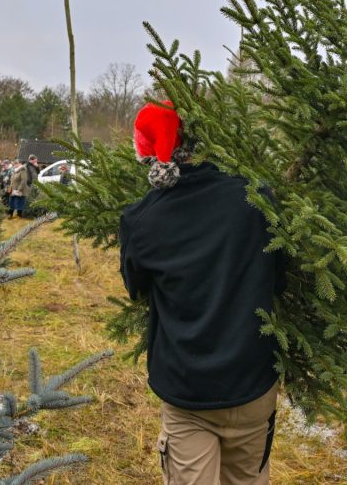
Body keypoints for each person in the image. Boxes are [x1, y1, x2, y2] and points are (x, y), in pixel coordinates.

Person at [119, 101, 287, 485]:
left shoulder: (142, 219)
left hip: (187, 393)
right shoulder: (256, 198)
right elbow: (280, 281)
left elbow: (136, 289)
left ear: (148, 154)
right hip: (254, 384)